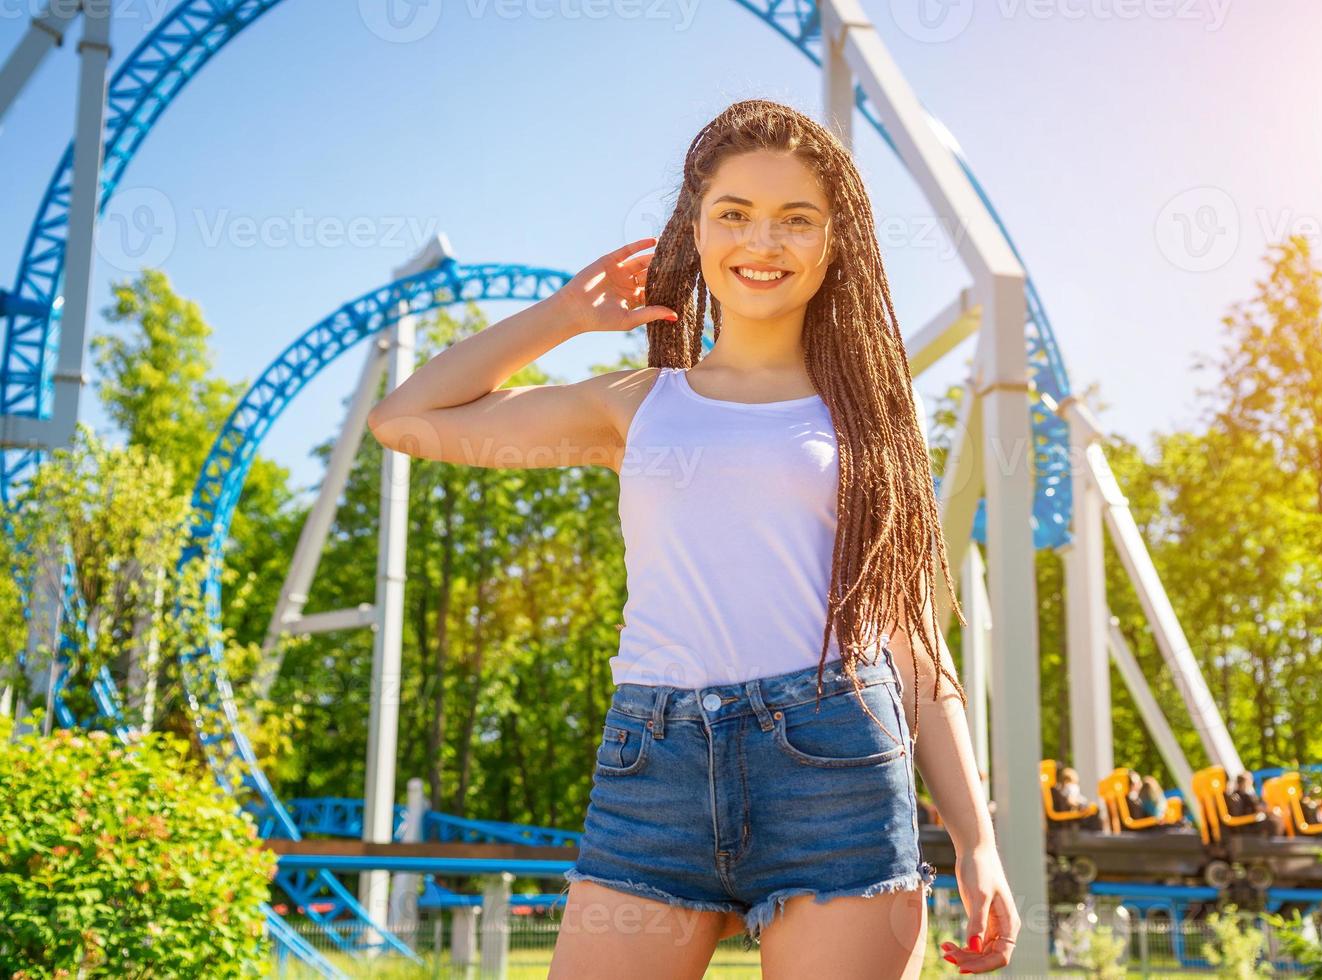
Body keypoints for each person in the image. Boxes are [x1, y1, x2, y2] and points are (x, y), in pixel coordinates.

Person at [367, 99, 1019, 978]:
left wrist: (976, 843)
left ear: (837, 244)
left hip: (837, 765)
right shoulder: (636, 404)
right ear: (698, 231)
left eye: (797, 220)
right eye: (735, 215)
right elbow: (405, 418)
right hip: (655, 763)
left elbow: (912, 639)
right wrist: (562, 316)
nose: (764, 242)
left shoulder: (870, 420)